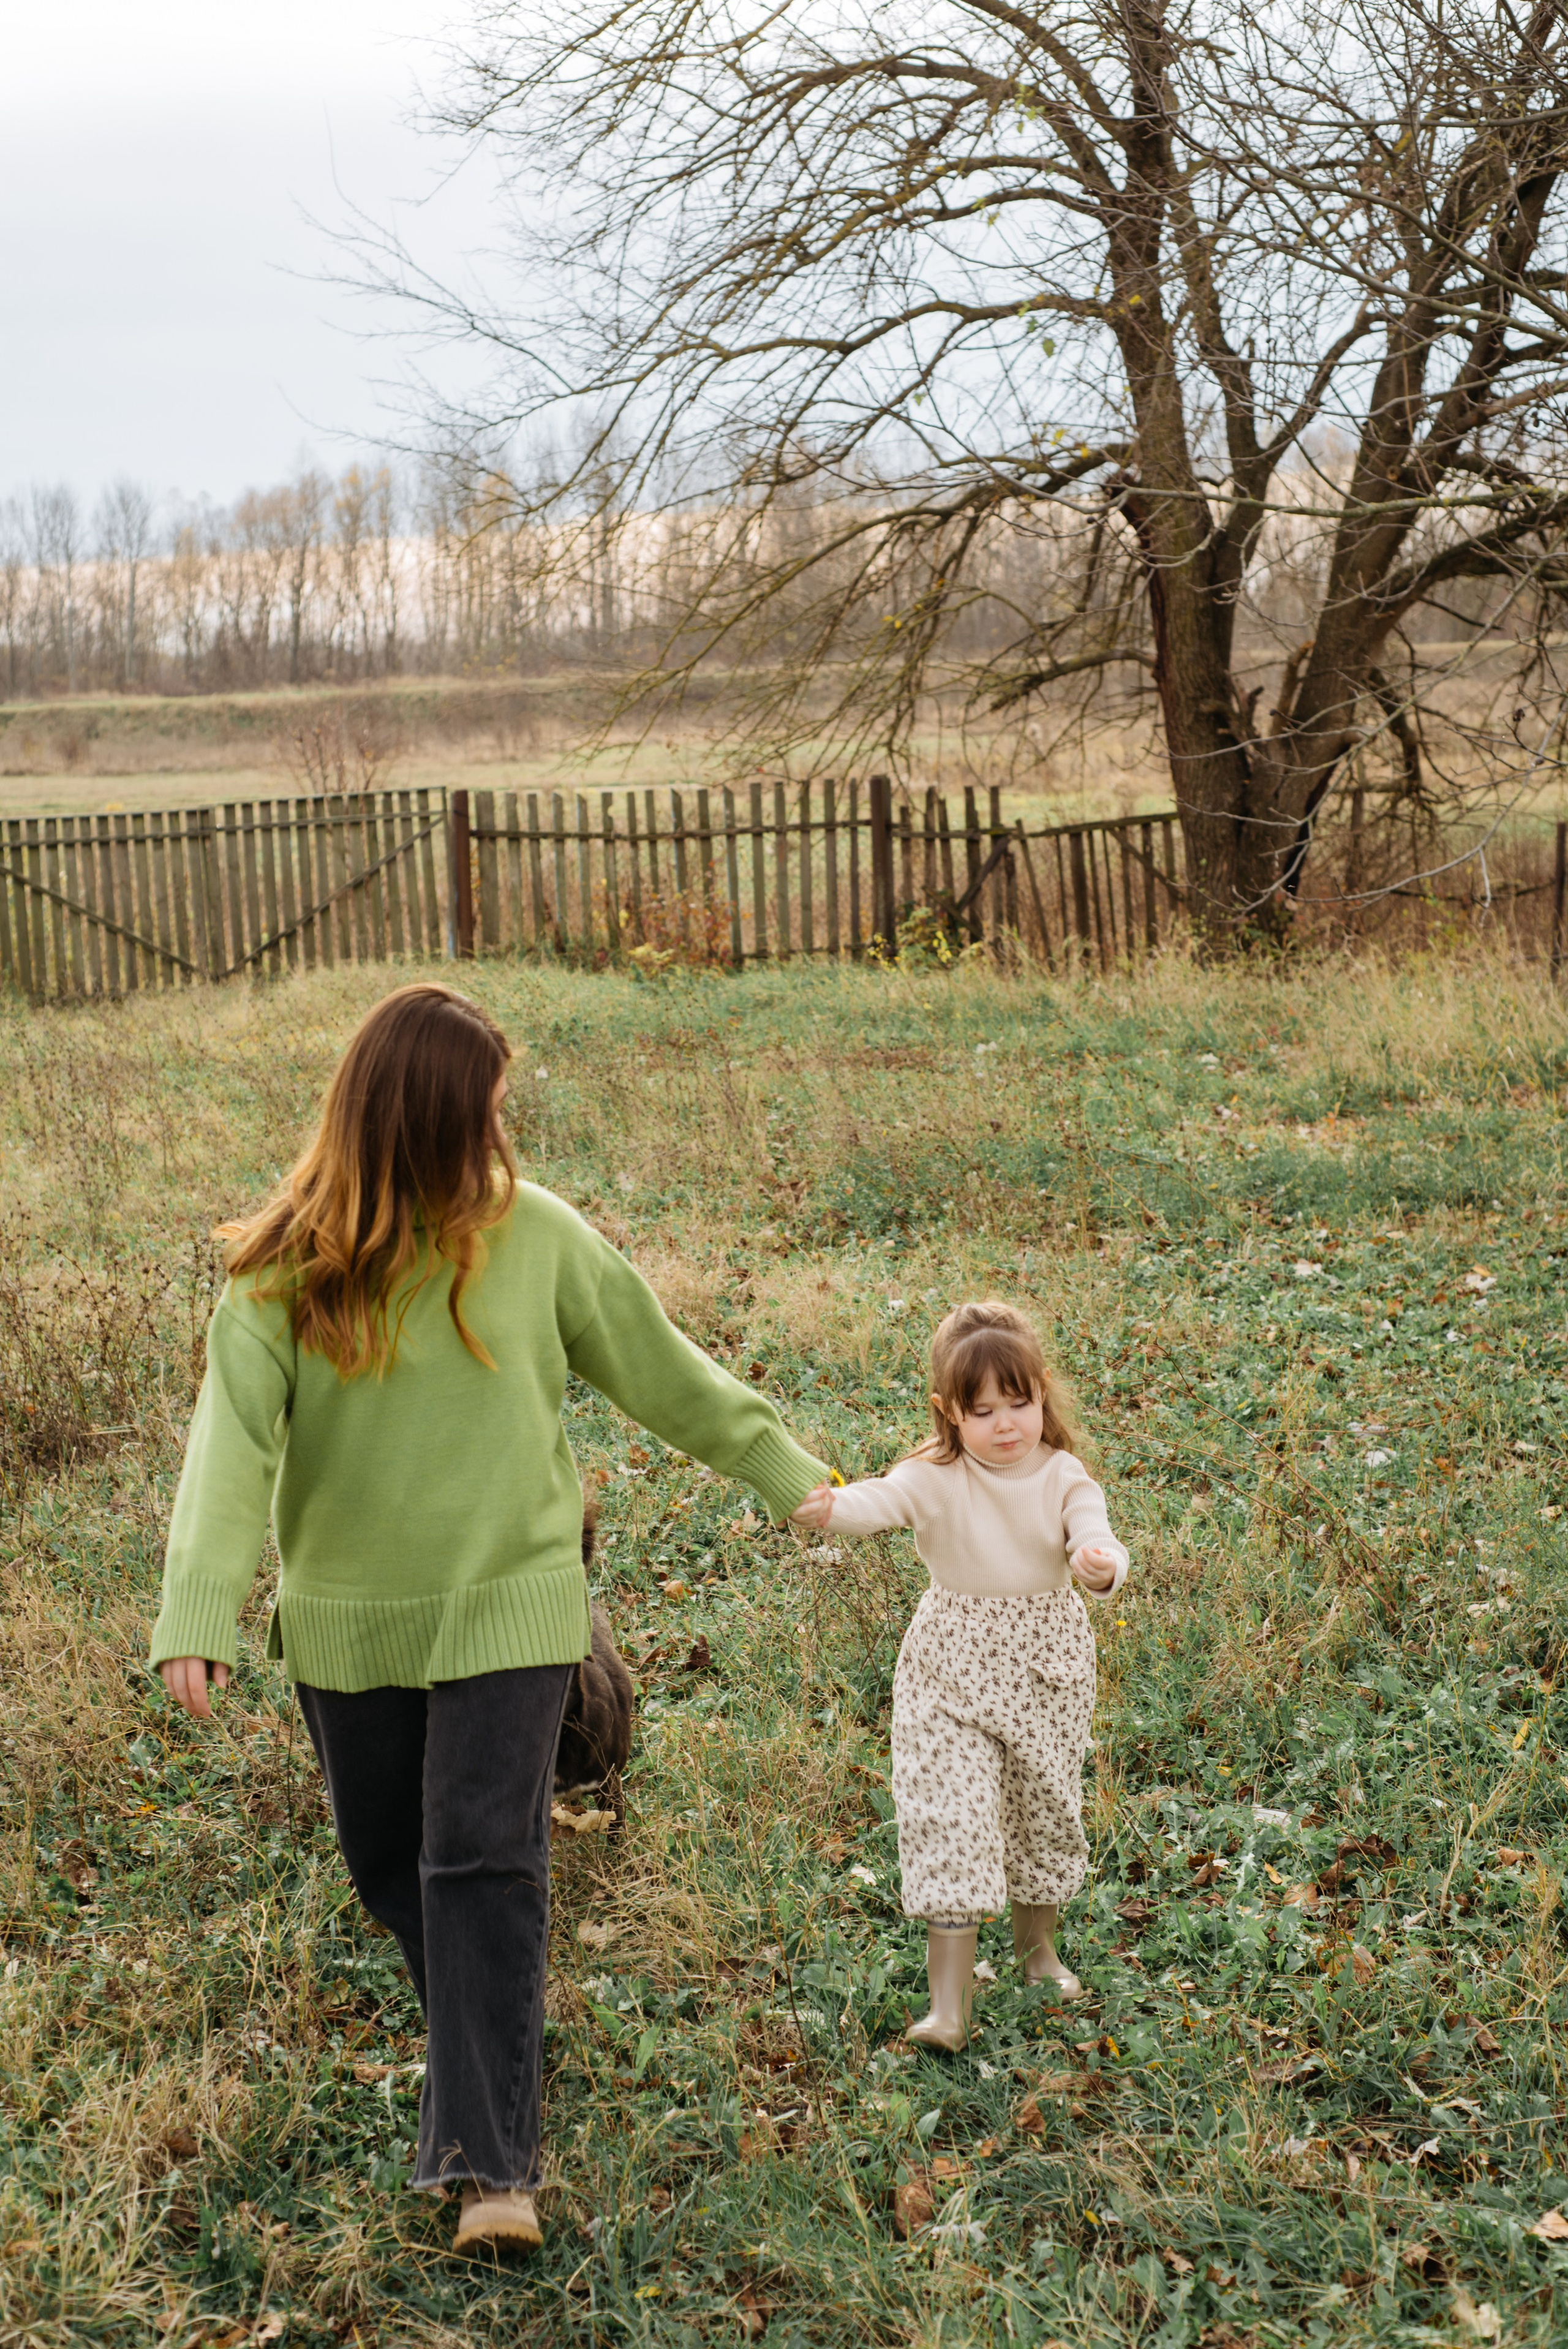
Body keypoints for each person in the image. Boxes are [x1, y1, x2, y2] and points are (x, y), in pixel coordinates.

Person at [150, 982, 827, 2253]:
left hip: (515, 1607)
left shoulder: (542, 1239)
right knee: (391, 1866)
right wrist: (198, 1612)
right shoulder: (278, 1277)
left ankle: (490, 2170)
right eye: (485, 1109)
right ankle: (488, 2036)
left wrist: (794, 1481)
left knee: (480, 1860)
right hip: (352, 1620)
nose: (501, 1132)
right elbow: (227, 1455)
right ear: (422, 1116)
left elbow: (664, 1371)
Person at [791, 1300, 1126, 2049]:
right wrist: (827, 1506)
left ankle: (1035, 1953)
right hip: (951, 1665)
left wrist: (1098, 1563)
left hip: (1045, 1663)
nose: (1005, 1423)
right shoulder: (934, 1476)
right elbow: (874, 1500)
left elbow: (1094, 1531)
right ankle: (949, 2005)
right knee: (952, 1813)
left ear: (1041, 1391)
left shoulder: (1063, 1475)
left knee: (1043, 1808)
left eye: (1020, 1402)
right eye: (982, 1410)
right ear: (949, 1412)